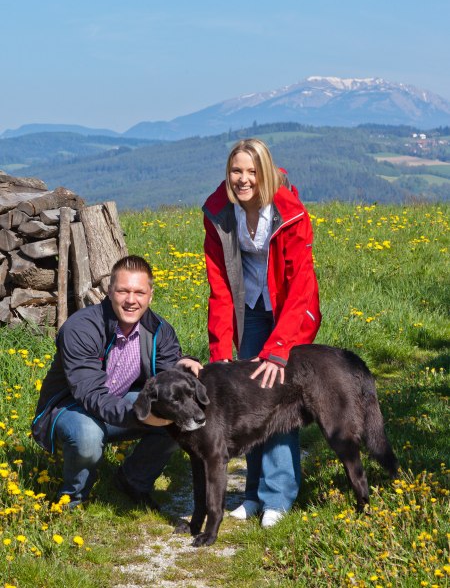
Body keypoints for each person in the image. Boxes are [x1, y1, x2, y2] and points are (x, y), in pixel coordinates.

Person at [202, 138, 321, 527]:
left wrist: (280, 348)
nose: (243, 179)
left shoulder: (290, 214)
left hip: (288, 311)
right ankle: (252, 495)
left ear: (266, 173)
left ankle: (278, 497)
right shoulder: (219, 212)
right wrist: (220, 350)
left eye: (252, 171)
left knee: (278, 402)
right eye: (236, 170)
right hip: (249, 310)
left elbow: (302, 285)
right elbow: (219, 285)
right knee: (246, 399)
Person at [32, 255, 202, 509]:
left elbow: (167, 378)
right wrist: (141, 415)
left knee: (177, 414)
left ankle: (133, 481)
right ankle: (72, 500)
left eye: (139, 292)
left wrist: (184, 365)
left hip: (119, 403)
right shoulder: (81, 328)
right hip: (70, 408)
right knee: (88, 435)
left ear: (150, 295)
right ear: (110, 291)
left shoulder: (159, 330)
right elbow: (91, 395)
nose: (131, 300)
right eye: (123, 291)